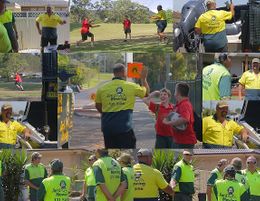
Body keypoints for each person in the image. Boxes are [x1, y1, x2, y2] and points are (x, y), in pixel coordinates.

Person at [95, 63, 150, 148]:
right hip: (124, 129)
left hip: (107, 128)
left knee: (111, 151)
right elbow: (146, 93)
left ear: (114, 73)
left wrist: (107, 113)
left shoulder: (102, 88)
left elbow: (98, 105)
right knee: (128, 151)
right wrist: (143, 79)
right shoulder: (131, 86)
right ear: (124, 73)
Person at [163, 83, 197, 148]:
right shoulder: (180, 104)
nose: (174, 92)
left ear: (178, 93)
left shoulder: (185, 104)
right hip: (179, 140)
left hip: (185, 142)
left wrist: (169, 123)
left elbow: (185, 119)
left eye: (175, 90)